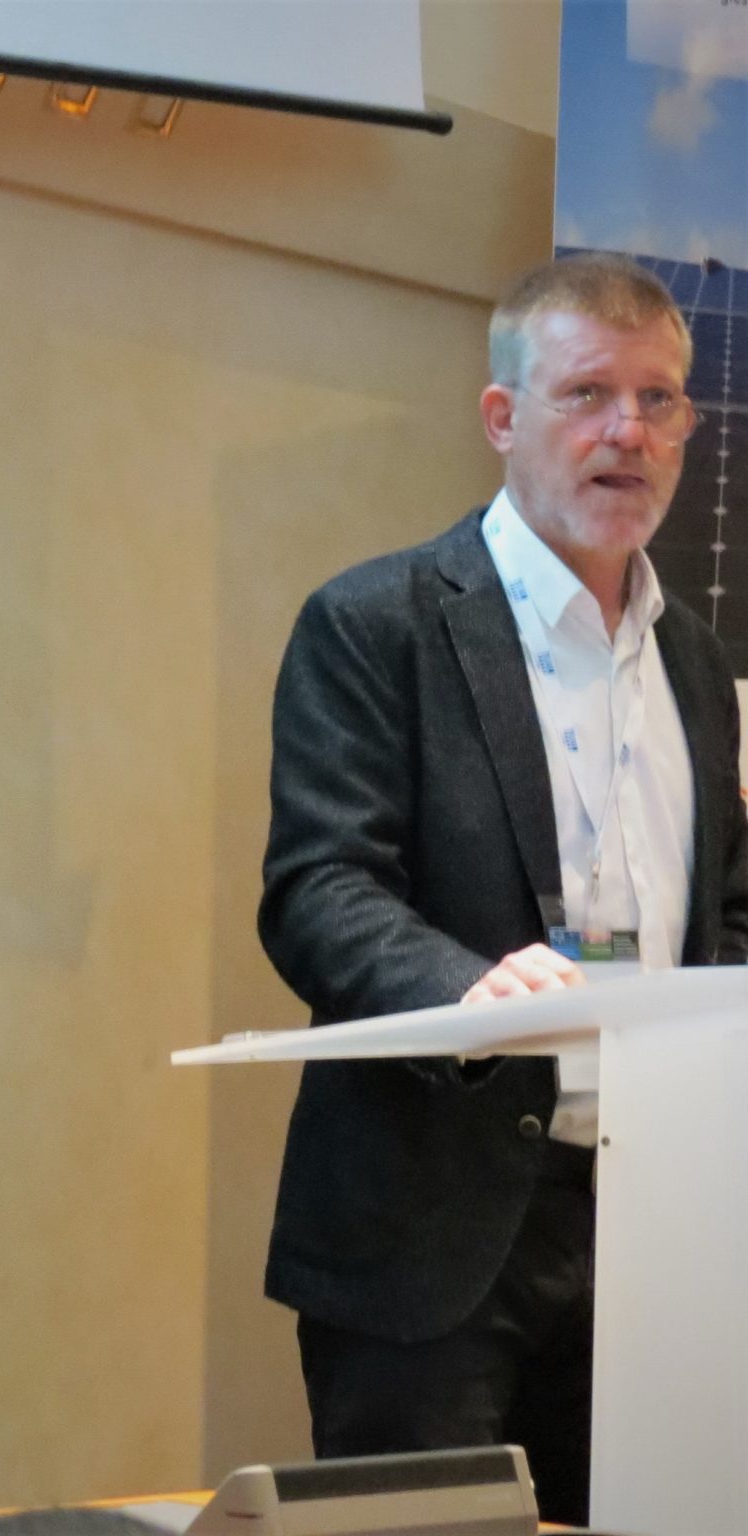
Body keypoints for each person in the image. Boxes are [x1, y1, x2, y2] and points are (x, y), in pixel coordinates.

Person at [258, 253, 748, 1525]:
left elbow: (724, 911)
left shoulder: (695, 662)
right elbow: (318, 889)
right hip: (429, 1232)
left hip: (650, 1233)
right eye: (585, 393)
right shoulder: (376, 623)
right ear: (500, 417)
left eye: (656, 399)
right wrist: (471, 991)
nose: (625, 431)